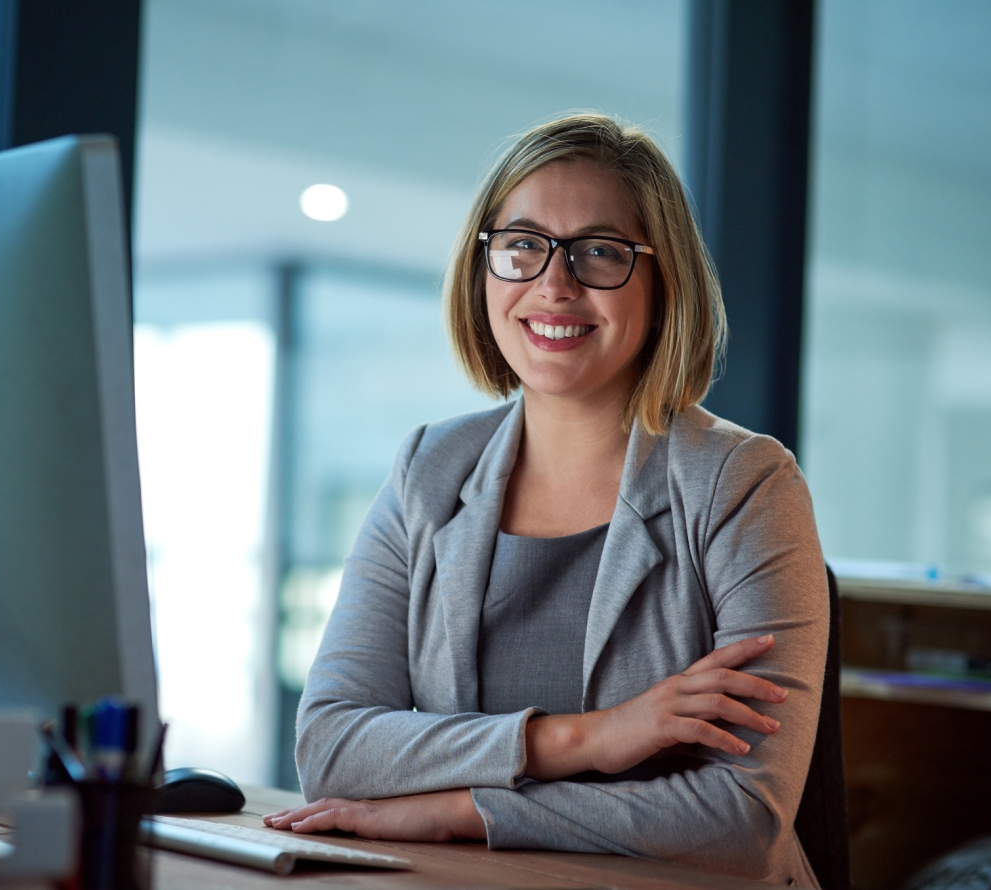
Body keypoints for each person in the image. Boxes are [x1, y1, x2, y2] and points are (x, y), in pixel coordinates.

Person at [263, 113, 828, 888]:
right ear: (483, 268)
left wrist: (463, 808)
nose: (553, 285)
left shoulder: (744, 485)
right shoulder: (428, 469)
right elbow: (332, 747)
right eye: (522, 246)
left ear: (664, 286)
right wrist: (582, 741)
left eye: (600, 252)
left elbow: (741, 820)